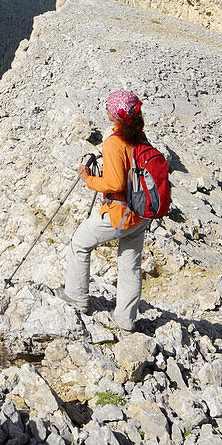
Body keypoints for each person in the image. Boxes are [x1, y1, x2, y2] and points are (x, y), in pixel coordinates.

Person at [59, 90, 150, 332]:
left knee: (79, 243)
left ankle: (77, 297)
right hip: (141, 213)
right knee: (130, 265)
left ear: (115, 115)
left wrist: (89, 180)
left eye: (109, 108)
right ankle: (125, 319)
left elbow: (115, 184)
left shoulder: (113, 143)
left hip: (119, 213)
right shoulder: (140, 137)